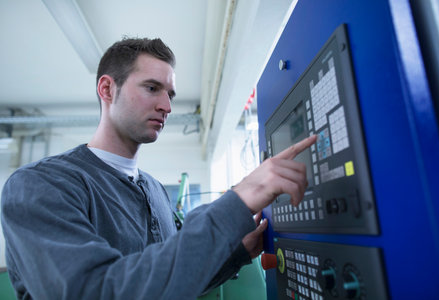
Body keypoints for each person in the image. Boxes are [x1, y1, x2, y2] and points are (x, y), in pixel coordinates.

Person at [1, 37, 317, 299]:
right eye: (152, 88)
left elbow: (167, 286)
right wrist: (239, 197)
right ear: (108, 90)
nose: (166, 106)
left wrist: (236, 253)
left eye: (170, 94)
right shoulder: (40, 185)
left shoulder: (153, 190)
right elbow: (94, 291)